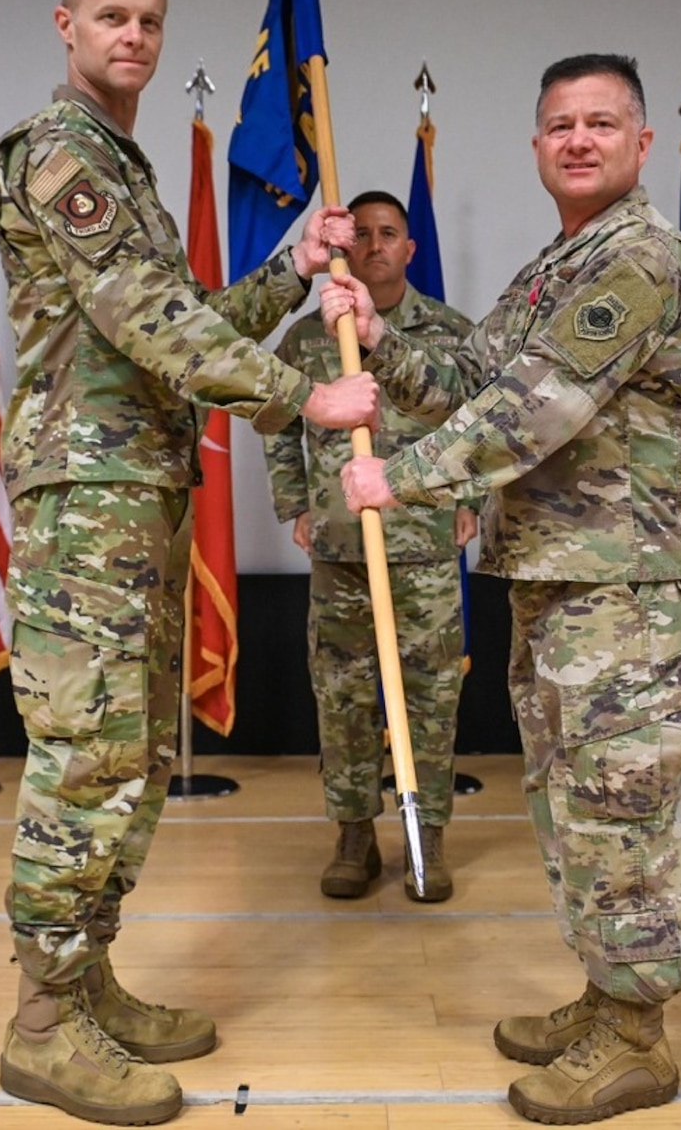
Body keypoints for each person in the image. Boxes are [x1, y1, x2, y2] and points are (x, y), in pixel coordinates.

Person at [0, 0, 377, 1126]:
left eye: (149, 20)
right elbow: (152, 322)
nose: (133, 38)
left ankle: (88, 978)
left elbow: (182, 319)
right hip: (86, 500)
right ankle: (40, 1022)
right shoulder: (60, 153)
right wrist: (305, 397)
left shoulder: (123, 162)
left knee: (135, 757)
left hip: (136, 498)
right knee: (85, 759)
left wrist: (292, 269)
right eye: (109, 17)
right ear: (64, 27)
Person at [324, 54, 681, 1123]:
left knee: (619, 815)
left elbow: (532, 410)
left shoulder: (638, 258)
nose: (577, 140)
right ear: (537, 145)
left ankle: (638, 1037)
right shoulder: (557, 263)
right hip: (556, 581)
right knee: (569, 812)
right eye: (558, 125)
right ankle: (603, 999)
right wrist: (379, 328)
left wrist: (391, 477)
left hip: (623, 591)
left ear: (640, 144)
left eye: (600, 123)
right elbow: (468, 380)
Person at [262, 190, 477, 902]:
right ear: (344, 248)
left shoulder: (449, 334)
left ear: (410, 249)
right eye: (363, 235)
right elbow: (278, 425)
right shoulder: (305, 339)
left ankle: (428, 834)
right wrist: (295, 502)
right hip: (341, 548)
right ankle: (354, 832)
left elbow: (477, 425)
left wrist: (471, 502)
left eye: (390, 234)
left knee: (430, 697)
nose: (377, 244)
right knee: (344, 697)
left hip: (423, 545)